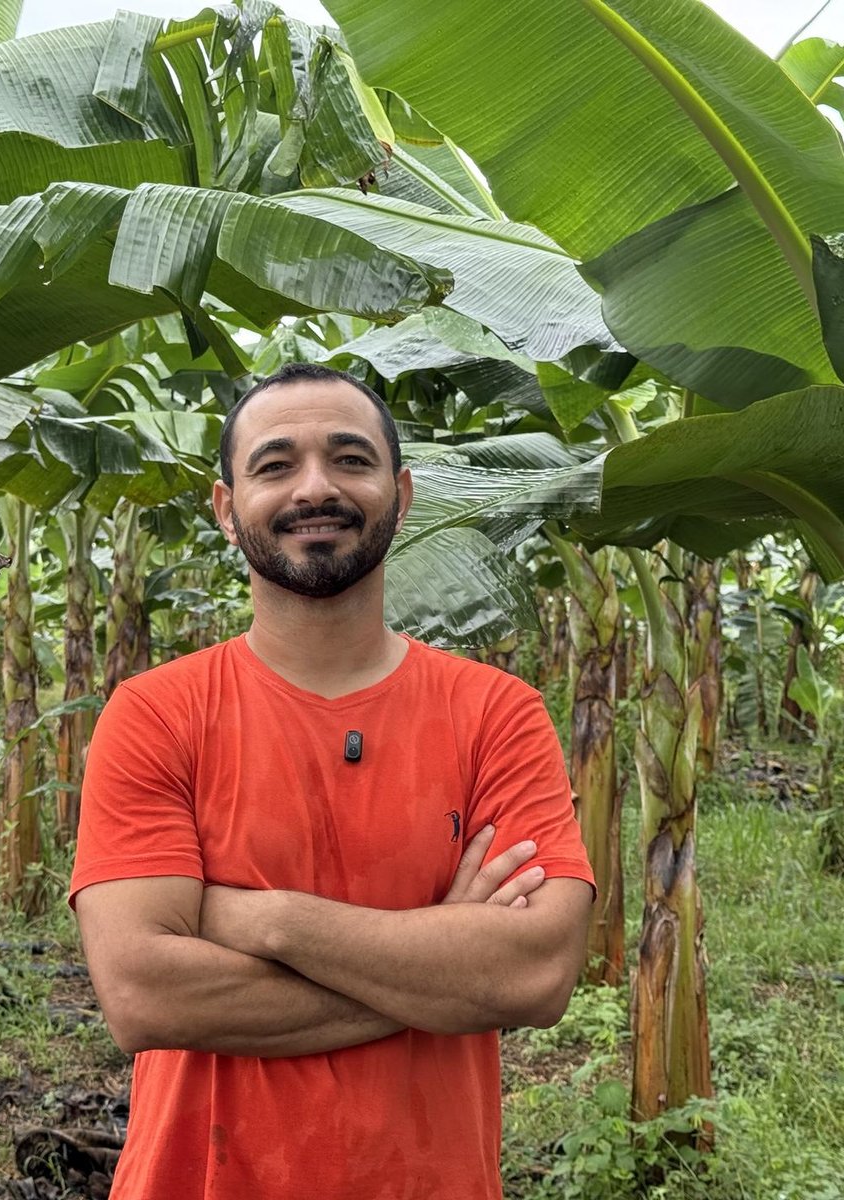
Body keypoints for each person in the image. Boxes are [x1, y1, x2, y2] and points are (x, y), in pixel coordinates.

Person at [69, 362, 595, 1199]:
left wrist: (264, 919)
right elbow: (143, 993)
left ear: (403, 492)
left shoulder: (498, 713)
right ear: (225, 510)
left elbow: (536, 973)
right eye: (275, 465)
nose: (316, 487)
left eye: (351, 459)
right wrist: (445, 966)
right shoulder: (155, 714)